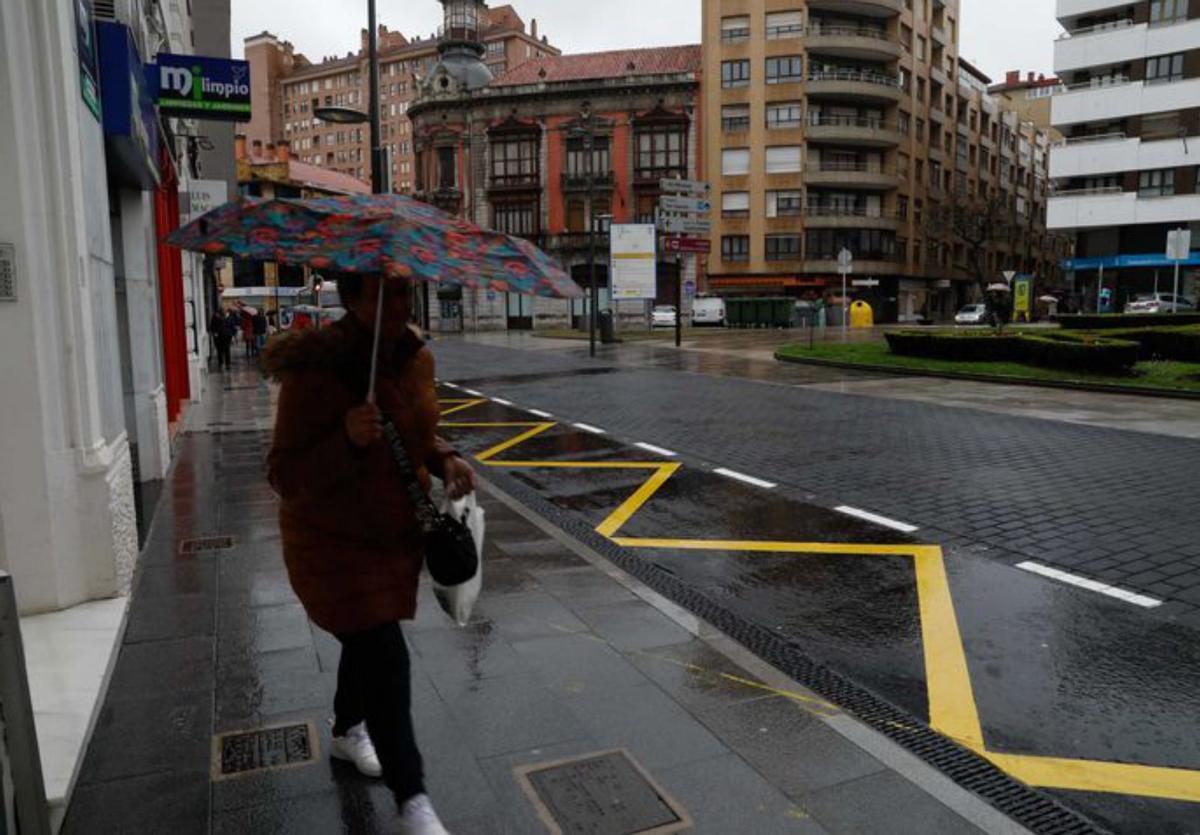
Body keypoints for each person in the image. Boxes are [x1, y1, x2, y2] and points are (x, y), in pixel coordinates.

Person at [263, 272, 475, 835]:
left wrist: (446, 459)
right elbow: (283, 473)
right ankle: (413, 801)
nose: (402, 302)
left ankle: (345, 728)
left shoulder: (411, 358)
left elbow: (413, 434)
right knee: (384, 649)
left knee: (368, 637)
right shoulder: (316, 369)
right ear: (354, 298)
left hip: (390, 533)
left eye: (407, 291)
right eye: (387, 292)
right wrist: (344, 440)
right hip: (329, 539)